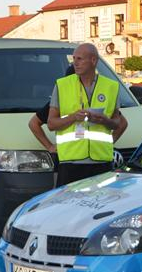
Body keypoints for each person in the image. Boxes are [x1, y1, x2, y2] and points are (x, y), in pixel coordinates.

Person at [47, 44, 128, 186]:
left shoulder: (111, 86)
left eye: (79, 59)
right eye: (74, 58)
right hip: (71, 163)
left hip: (101, 162)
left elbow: (117, 123)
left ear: (93, 60)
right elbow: (51, 124)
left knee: (100, 200)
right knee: (69, 200)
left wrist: (104, 120)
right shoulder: (62, 85)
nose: (75, 63)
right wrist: (73, 117)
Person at [29, 65, 77, 155]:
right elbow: (33, 123)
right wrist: (50, 146)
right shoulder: (60, 101)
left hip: (95, 156)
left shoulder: (94, 98)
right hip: (67, 156)